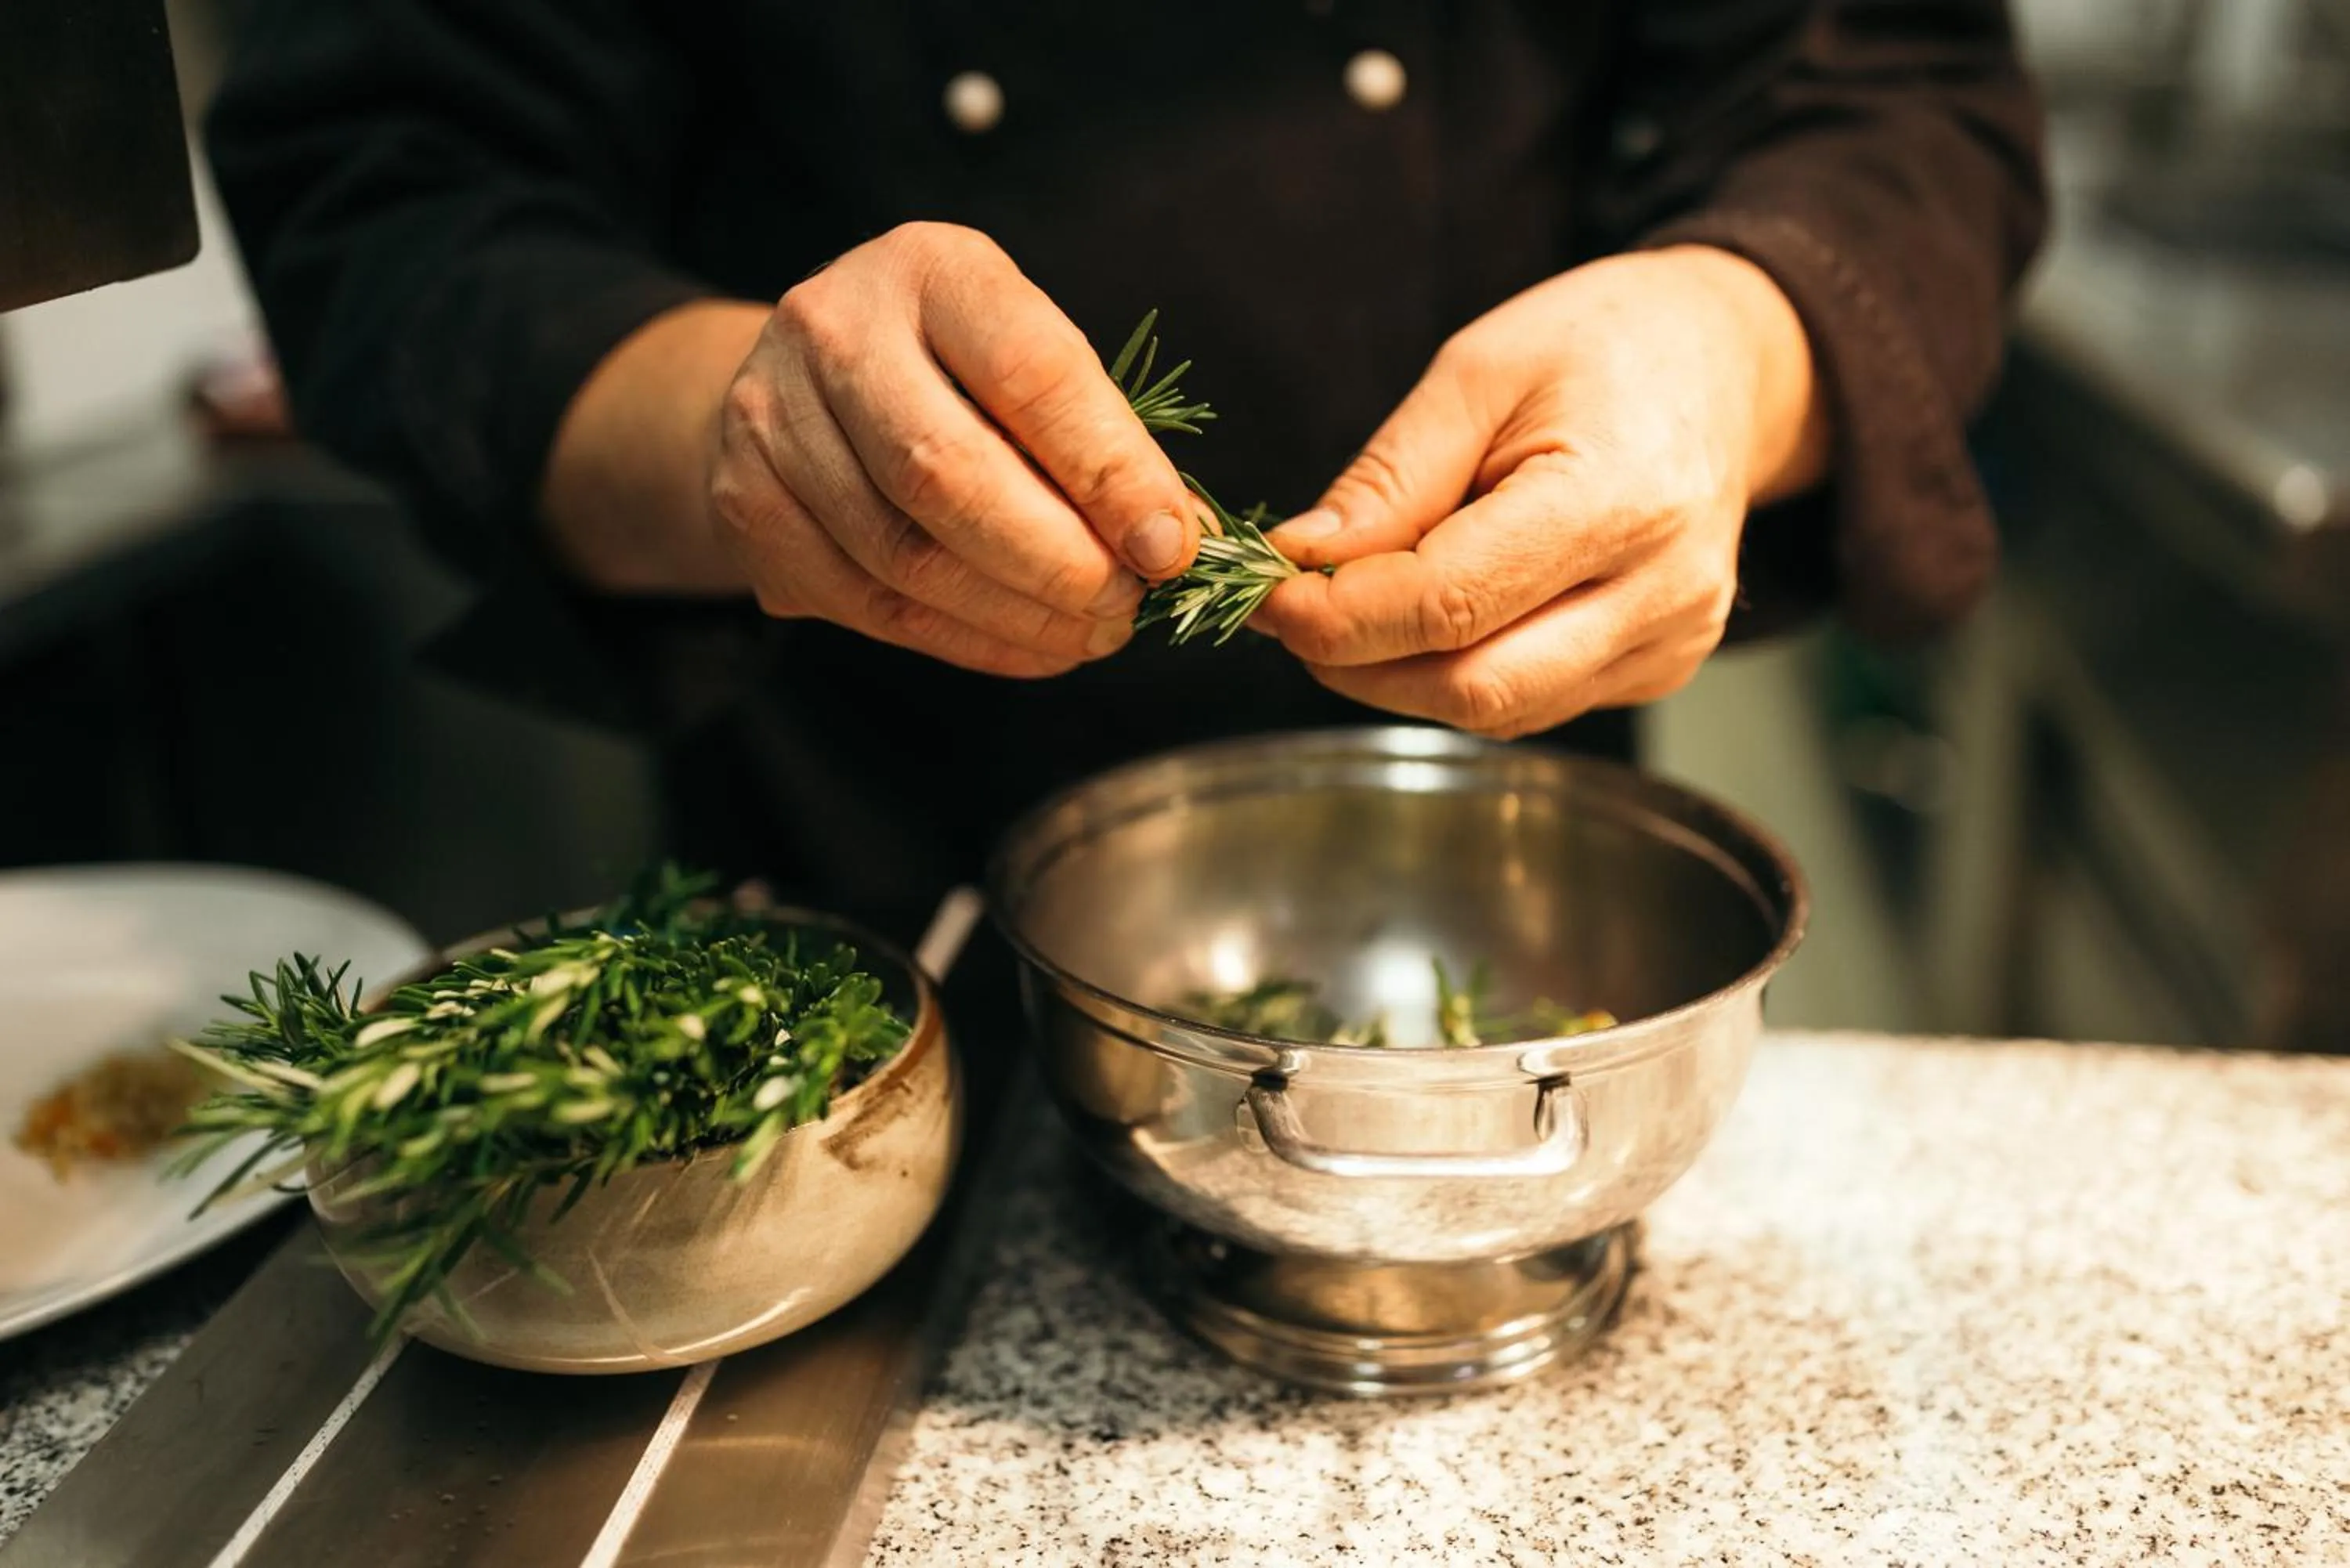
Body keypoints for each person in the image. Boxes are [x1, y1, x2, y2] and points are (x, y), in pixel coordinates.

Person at [204, 2, 2044, 935]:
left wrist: (1724, 344)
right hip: (863, 893)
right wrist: (744, 423)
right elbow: (394, 193)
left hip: (1498, 866)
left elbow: (1899, 88)